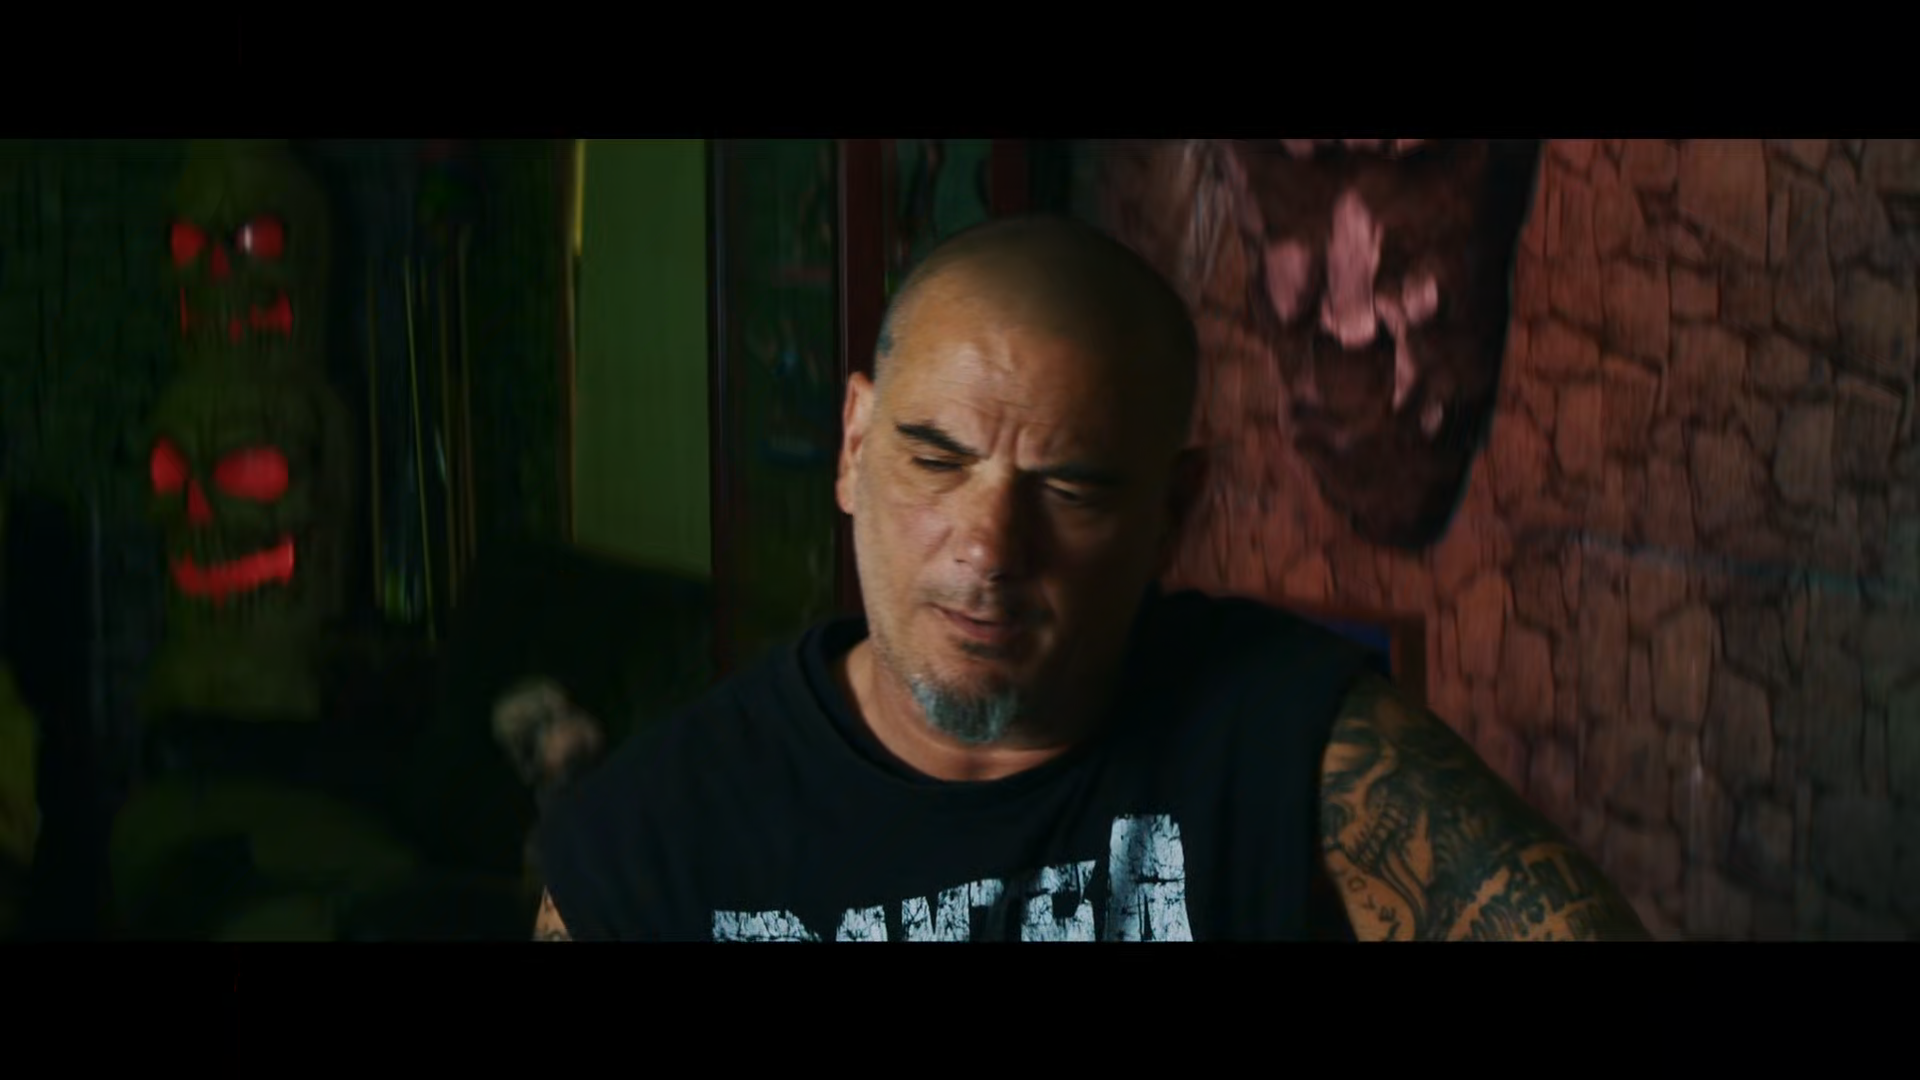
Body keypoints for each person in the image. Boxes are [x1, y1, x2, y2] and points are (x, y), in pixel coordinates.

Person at [532, 215, 1649, 942]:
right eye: (936, 460)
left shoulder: (1283, 735)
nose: (987, 550)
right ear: (853, 444)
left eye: (1069, 489)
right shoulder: (651, 840)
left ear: (1172, 513)